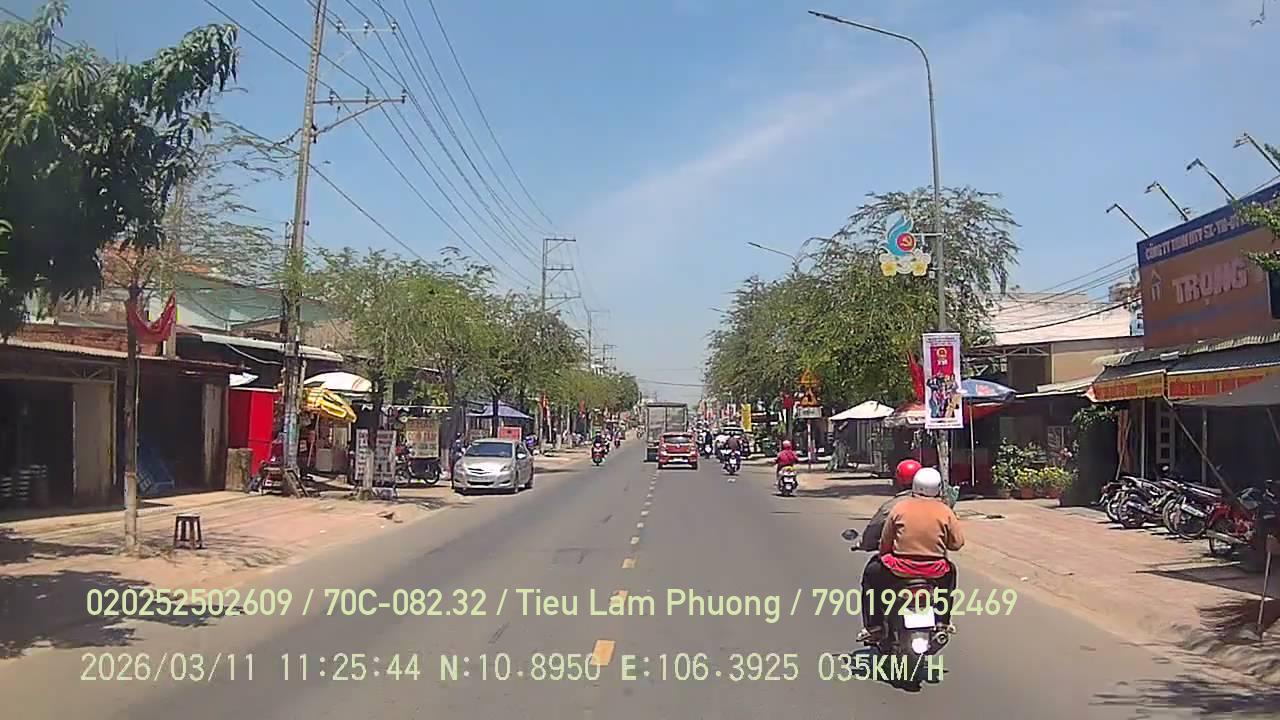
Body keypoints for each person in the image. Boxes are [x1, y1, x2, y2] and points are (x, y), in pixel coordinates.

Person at [857, 466, 964, 642]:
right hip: (935, 570)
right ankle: (943, 622)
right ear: (938, 488)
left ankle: (874, 626)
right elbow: (957, 543)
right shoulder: (946, 511)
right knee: (950, 576)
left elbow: (885, 542)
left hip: (900, 568)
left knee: (871, 574)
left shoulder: (899, 508)